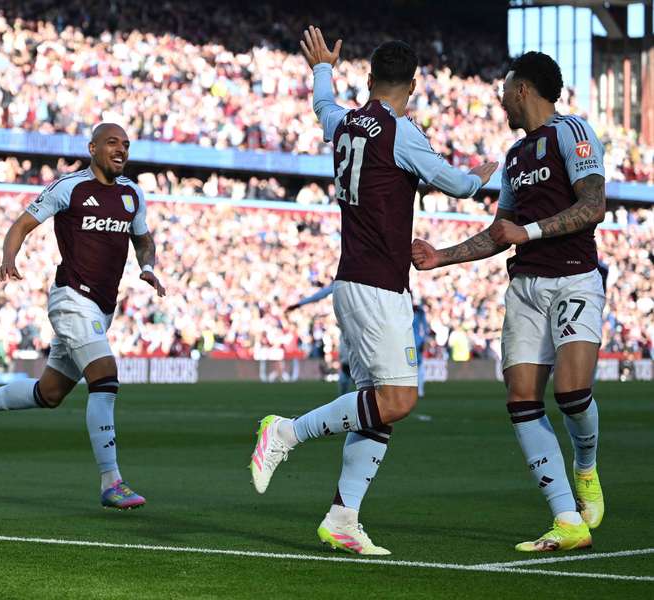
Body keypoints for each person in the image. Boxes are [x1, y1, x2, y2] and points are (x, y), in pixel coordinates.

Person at [250, 27, 497, 554]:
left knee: (377, 405)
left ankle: (343, 517)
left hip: (355, 280)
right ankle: (285, 433)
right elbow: (453, 183)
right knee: (399, 400)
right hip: (377, 285)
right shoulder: (400, 130)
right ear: (413, 84)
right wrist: (476, 177)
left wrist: (321, 68)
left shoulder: (344, 123)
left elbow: (323, 106)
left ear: (368, 78)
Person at [412, 51, 605, 552]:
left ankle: (586, 468)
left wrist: (531, 230)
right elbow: (501, 233)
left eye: (504, 90)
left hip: (574, 278)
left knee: (571, 394)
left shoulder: (572, 132)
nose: (499, 101)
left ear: (522, 89)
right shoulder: (516, 158)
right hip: (525, 288)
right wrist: (441, 257)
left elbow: (593, 205)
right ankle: (567, 520)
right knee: (522, 401)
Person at [0, 123, 166, 510]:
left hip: (101, 307)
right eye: (112, 142)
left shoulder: (132, 194)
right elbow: (23, 224)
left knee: (49, 393)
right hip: (70, 298)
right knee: (105, 378)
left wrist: (147, 266)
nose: (121, 149)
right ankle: (111, 481)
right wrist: (8, 258)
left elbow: (143, 238)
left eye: (126, 145)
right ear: (93, 147)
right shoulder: (70, 187)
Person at [285, 283, 353, 395]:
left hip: (357, 330)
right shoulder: (344, 281)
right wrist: (299, 304)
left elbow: (321, 294)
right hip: (348, 332)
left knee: (353, 370)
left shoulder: (353, 280)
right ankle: (346, 401)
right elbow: (321, 294)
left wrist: (299, 304)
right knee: (347, 368)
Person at [412, 300, 431, 398]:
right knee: (415, 366)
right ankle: (417, 391)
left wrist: (425, 340)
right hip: (412, 342)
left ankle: (419, 390)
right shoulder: (418, 311)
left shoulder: (419, 311)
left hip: (414, 342)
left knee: (417, 366)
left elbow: (424, 327)